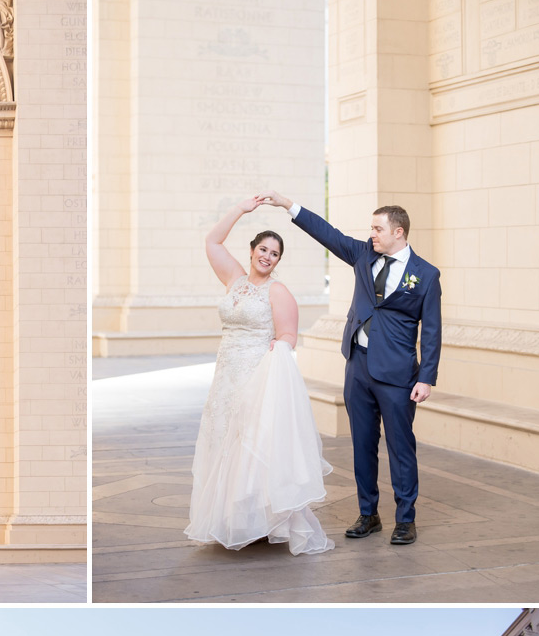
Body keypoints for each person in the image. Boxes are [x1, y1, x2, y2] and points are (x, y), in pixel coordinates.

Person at [259, 190, 442, 545]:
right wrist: (289, 205)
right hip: (358, 367)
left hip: (398, 376)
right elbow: (329, 234)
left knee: (401, 448)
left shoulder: (426, 275)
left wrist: (426, 378)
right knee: (362, 444)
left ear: (399, 232)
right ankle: (368, 514)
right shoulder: (362, 255)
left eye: (377, 228)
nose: (371, 234)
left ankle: (405, 519)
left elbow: (432, 331)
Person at [185, 196, 334, 555]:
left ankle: (260, 522)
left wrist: (278, 348)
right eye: (263, 249)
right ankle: (229, 520)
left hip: (256, 377)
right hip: (225, 377)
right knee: (223, 443)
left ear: (278, 261)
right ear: (252, 251)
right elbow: (212, 242)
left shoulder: (277, 291)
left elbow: (288, 336)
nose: (268, 257)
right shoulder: (234, 280)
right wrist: (239, 209)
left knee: (250, 447)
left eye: (275, 254)